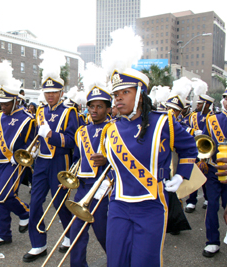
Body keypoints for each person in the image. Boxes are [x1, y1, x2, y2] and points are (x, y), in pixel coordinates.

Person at [100, 67, 197, 267]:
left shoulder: (163, 122)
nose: (119, 98)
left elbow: (189, 149)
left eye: (125, 92)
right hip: (119, 203)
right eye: (116, 94)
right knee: (116, 260)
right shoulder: (111, 129)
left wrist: (181, 176)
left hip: (151, 204)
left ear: (141, 96)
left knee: (145, 262)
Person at [23, 53, 78, 262]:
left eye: (54, 92)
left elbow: (73, 140)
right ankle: (38, 244)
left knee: (60, 202)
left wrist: (51, 136)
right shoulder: (40, 111)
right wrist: (35, 147)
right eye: (47, 92)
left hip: (60, 162)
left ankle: (69, 235)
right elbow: (38, 135)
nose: (50, 96)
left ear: (61, 92)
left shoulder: (69, 112)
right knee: (35, 202)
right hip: (41, 162)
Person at [69, 68, 112, 267]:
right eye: (91, 106)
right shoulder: (81, 132)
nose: (94, 110)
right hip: (84, 188)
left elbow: (126, 161)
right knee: (75, 232)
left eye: (100, 106)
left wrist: (108, 160)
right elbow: (78, 159)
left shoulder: (115, 129)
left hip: (104, 189)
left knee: (104, 233)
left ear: (108, 109)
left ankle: (118, 261)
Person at [0, 85, 36, 248]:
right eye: (1, 103)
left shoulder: (27, 119)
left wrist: (21, 156)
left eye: (6, 103)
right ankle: (3, 233)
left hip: (15, 163)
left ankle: (26, 212)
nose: (3, 106)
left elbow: (33, 145)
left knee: (4, 195)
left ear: (15, 101)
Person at [201, 88, 227, 257]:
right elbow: (203, 141)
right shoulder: (212, 120)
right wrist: (202, 160)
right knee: (212, 205)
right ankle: (212, 241)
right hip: (213, 170)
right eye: (225, 98)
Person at [186, 81, 214, 213]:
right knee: (193, 175)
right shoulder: (192, 116)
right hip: (193, 150)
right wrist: (192, 131)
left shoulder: (212, 117)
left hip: (207, 153)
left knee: (207, 176)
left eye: (200, 104)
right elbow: (181, 125)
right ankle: (191, 201)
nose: (197, 105)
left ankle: (208, 198)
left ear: (207, 105)